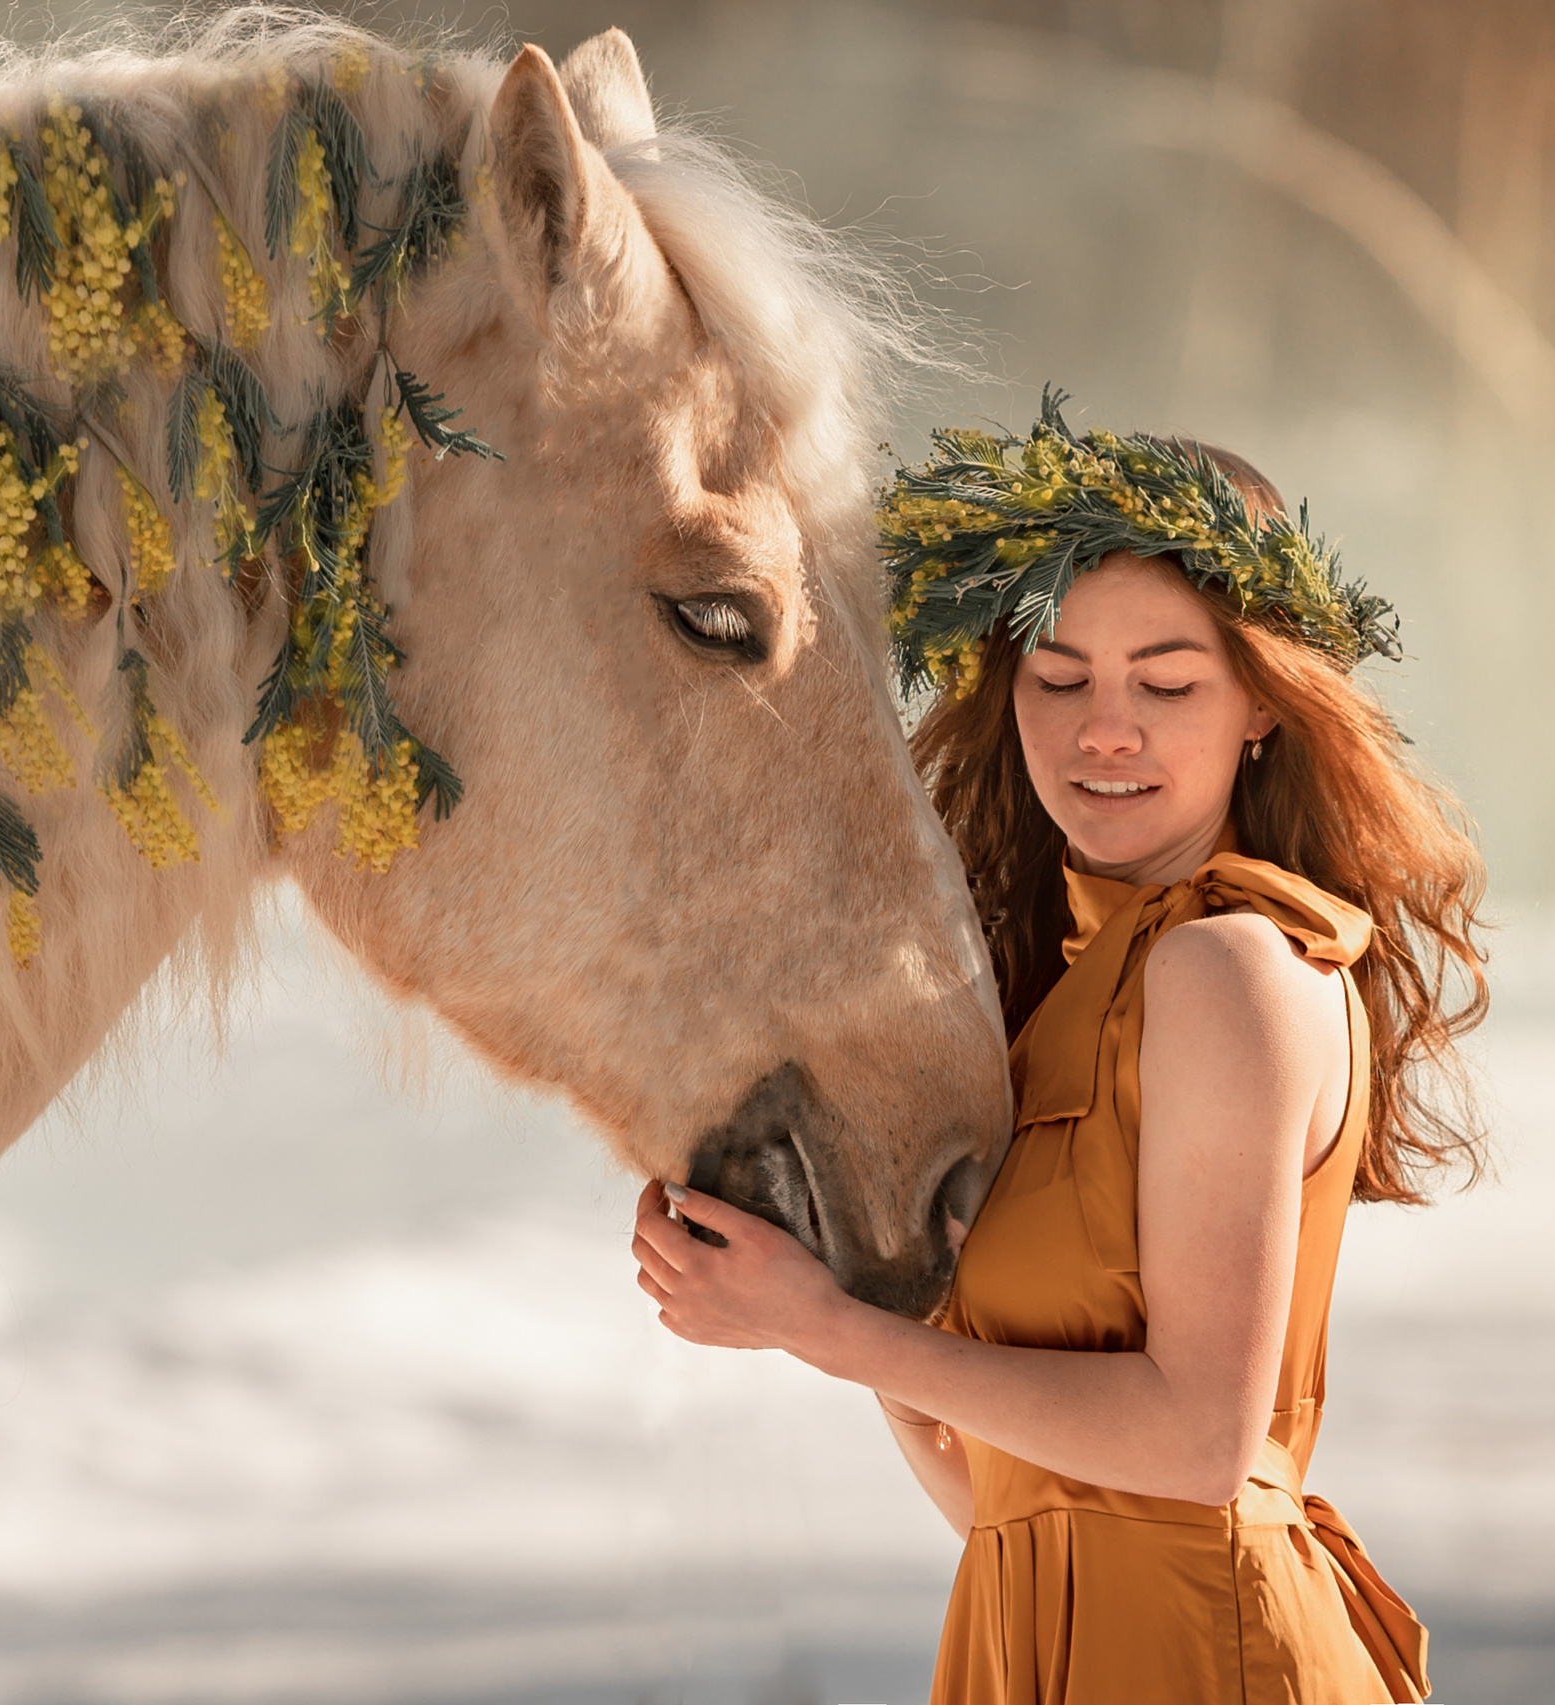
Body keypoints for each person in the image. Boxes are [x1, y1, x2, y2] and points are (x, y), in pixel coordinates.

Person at [629, 395, 1488, 1703]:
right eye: (1060, 676)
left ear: (1263, 702)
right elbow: (1006, 1503)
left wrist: (828, 1330)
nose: (1105, 729)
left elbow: (1200, 1445)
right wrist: (834, 1302)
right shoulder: (1057, 996)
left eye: (1168, 682)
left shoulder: (1226, 969)